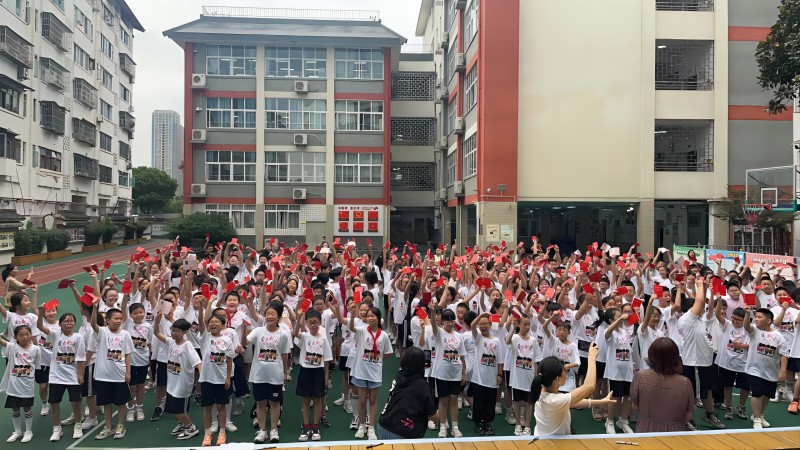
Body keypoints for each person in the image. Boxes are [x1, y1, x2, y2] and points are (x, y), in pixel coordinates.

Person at [531, 342, 614, 435]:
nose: (566, 372)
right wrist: (591, 358)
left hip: (543, 439)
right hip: (553, 442)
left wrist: (601, 401)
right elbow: (589, 386)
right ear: (558, 379)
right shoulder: (554, 400)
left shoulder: (541, 391)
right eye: (564, 371)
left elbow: (573, 402)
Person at [37, 309, 86, 441]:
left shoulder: (78, 337)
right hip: (56, 376)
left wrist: (80, 374)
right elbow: (40, 326)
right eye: (66, 321)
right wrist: (41, 312)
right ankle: (57, 428)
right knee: (54, 403)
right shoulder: (56, 334)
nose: (69, 323)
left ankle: (78, 425)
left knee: (75, 403)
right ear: (60, 324)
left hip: (73, 376)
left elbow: (81, 357)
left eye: (71, 321)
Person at [153, 313, 201, 440]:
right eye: (172, 330)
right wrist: (157, 321)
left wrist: (202, 377)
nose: (174, 333)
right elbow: (156, 333)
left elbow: (198, 362)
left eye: (177, 331)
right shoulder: (171, 342)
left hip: (182, 385)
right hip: (172, 384)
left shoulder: (187, 345)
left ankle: (191, 427)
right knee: (174, 410)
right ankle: (182, 424)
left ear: (184, 332)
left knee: (179, 411)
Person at [630, 337, 695, 432]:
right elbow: (687, 416)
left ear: (651, 355)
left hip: (645, 431)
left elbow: (635, 407)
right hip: (674, 434)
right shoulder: (685, 383)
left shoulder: (640, 376)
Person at [743, 307, 791, 428]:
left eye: (759, 317)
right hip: (754, 370)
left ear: (768, 320)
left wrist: (783, 371)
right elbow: (746, 327)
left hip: (771, 372)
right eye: (756, 317)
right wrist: (747, 313)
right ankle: (757, 419)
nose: (756, 319)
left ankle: (759, 414)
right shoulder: (754, 330)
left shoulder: (778, 336)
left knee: (767, 395)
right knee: (757, 393)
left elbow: (784, 354)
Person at [377, 346, 437, 439]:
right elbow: (433, 416)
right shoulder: (422, 385)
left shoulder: (399, 375)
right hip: (402, 432)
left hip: (383, 425)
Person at [1, 324, 41, 443]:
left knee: (27, 408)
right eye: (21, 335)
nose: (24, 337)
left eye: (27, 334)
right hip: (13, 385)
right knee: (15, 409)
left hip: (27, 385)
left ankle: (28, 431)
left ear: (31, 335)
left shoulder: (36, 349)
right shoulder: (12, 347)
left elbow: (37, 367)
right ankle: (17, 431)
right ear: (15, 337)